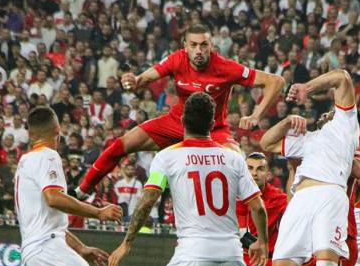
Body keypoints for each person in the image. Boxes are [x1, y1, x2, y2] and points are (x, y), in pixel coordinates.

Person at [107, 92, 270, 266]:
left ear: (182, 120)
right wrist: (263, 242)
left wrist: (127, 241)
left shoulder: (167, 157)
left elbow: (148, 199)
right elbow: (257, 206)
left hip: (193, 253)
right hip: (231, 255)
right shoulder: (233, 158)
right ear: (213, 122)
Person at [76, 24, 285, 198]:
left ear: (211, 46)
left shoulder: (226, 67)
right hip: (177, 123)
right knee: (120, 145)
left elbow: (275, 81)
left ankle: (245, 230)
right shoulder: (177, 59)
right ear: (185, 46)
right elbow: (145, 78)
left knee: (239, 165)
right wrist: (134, 81)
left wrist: (256, 115)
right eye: (193, 45)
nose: (199, 50)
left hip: (215, 130)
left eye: (204, 45)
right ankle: (81, 192)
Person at [260, 69, 359, 266]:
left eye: (334, 110)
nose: (328, 115)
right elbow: (266, 142)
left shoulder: (346, 126)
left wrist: (307, 87)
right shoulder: (306, 140)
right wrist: (288, 121)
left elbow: (342, 78)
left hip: (329, 195)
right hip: (300, 201)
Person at [15, 106, 122, 266]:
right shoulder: (48, 156)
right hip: (45, 246)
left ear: (30, 134)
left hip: (41, 245)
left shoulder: (25, 162)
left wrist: (81, 248)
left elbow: (51, 223)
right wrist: (98, 212)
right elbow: (53, 198)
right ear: (58, 131)